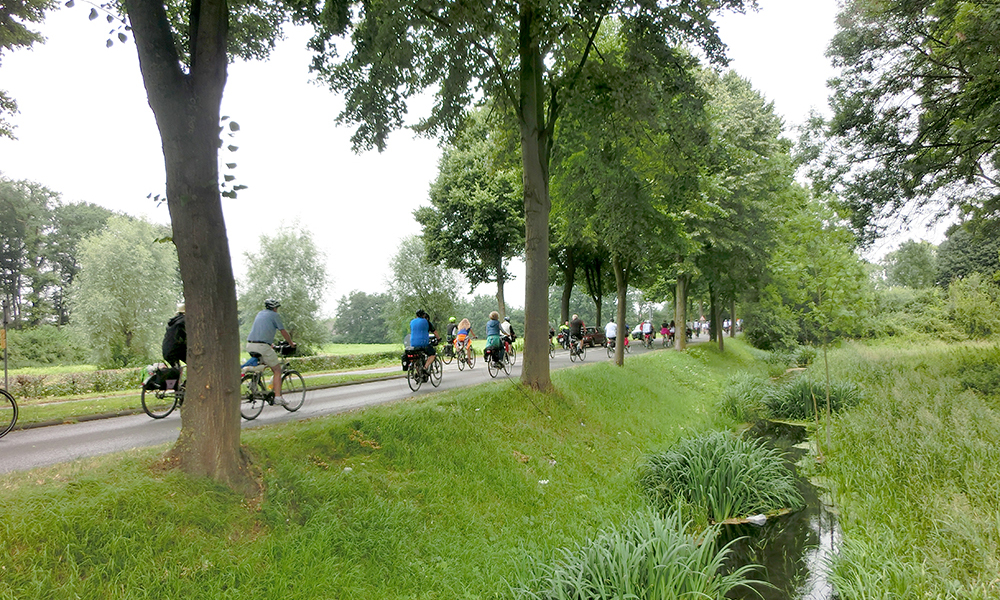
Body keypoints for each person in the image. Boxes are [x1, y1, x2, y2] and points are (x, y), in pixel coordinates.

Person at [246, 298, 295, 406]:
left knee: (262, 364)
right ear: (274, 308)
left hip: (250, 344)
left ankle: (254, 382)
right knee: (277, 370)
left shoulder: (260, 314)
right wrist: (291, 343)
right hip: (262, 346)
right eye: (276, 308)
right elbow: (283, 331)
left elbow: (262, 330)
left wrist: (270, 344)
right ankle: (278, 397)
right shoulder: (275, 316)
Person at [408, 309, 439, 377]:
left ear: (416, 315)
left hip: (413, 343)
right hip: (423, 343)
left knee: (416, 357)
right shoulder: (426, 322)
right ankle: (425, 368)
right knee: (432, 354)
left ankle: (419, 372)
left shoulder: (412, 322)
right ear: (424, 315)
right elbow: (435, 332)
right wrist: (438, 339)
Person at [162, 302, 187, 383]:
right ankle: (186, 385)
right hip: (177, 350)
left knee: (177, 370)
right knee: (196, 365)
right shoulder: (184, 321)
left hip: (167, 351)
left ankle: (178, 389)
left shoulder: (173, 322)